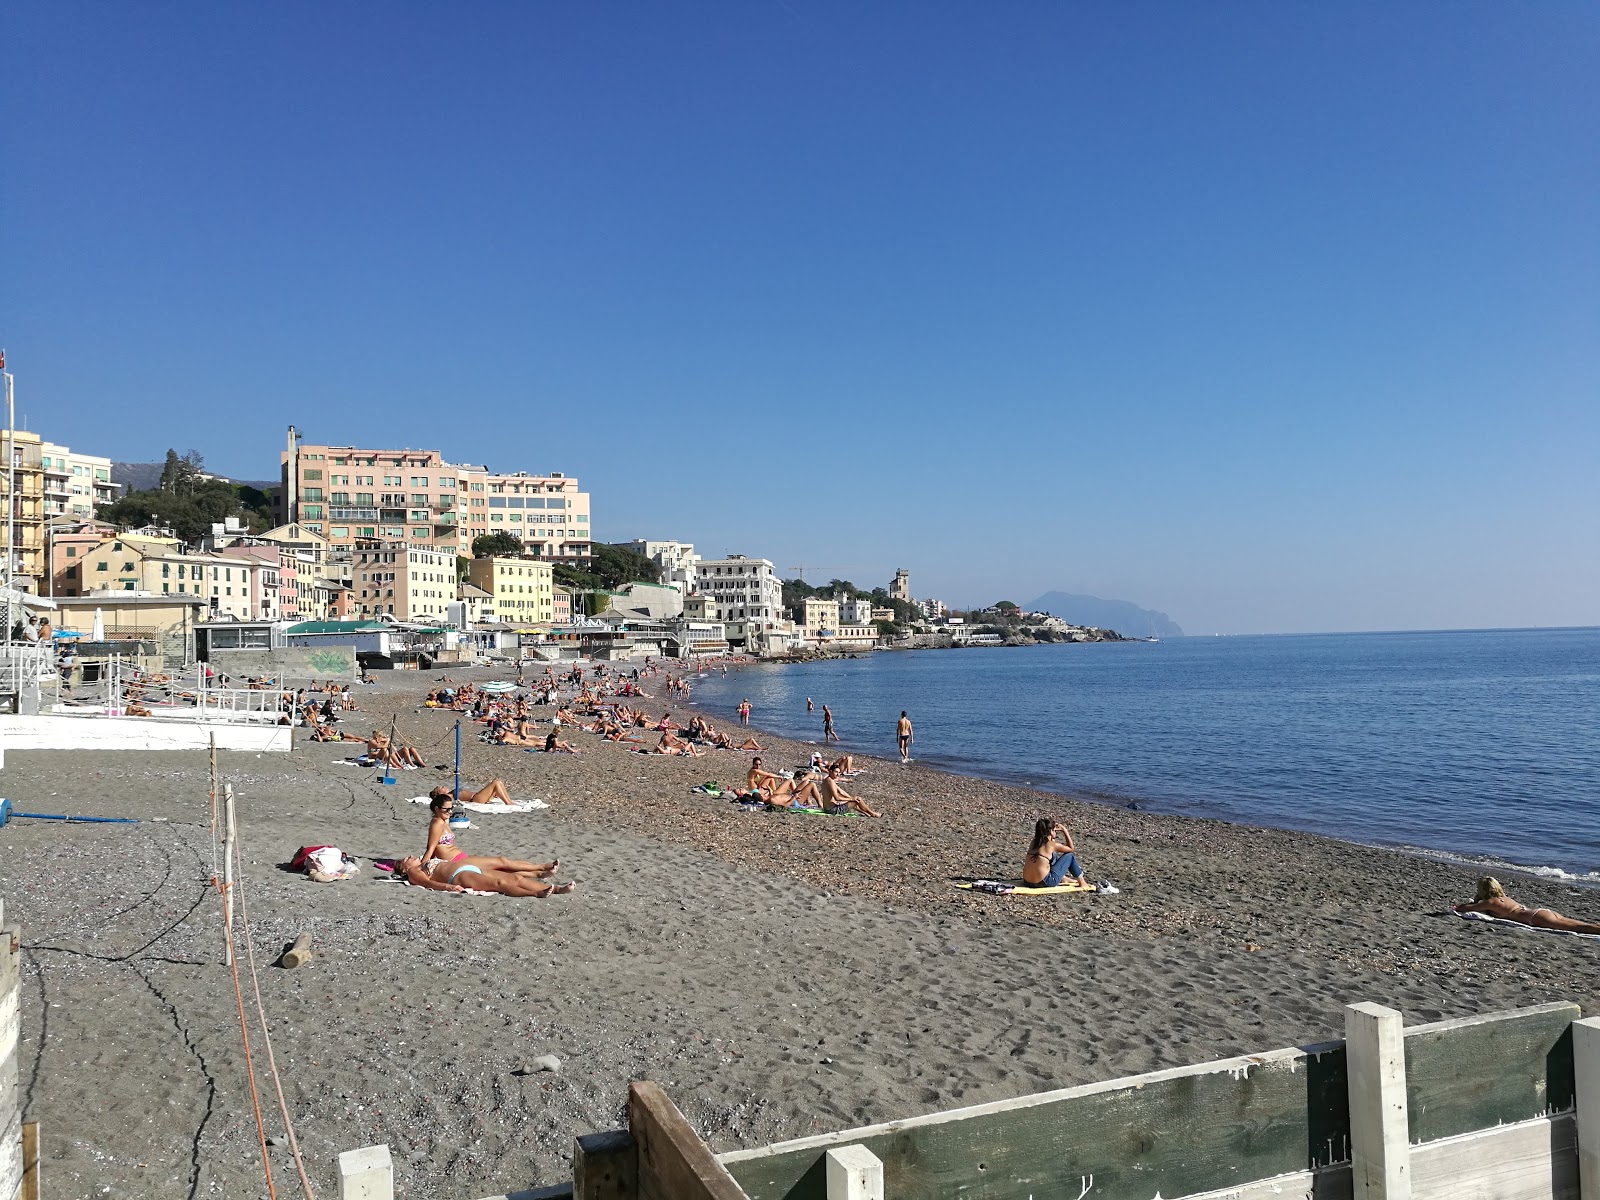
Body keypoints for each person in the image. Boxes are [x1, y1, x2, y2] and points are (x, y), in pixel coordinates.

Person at [422, 794, 559, 874]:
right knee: (501, 862)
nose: (450, 812)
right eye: (447, 810)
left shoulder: (443, 820)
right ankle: (541, 868)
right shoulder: (437, 823)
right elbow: (431, 848)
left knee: (499, 866)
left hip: (460, 857)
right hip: (456, 861)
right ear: (436, 808)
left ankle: (538, 871)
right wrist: (421, 867)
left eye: (451, 809)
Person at [1455, 877, 1600, 934]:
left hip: (1534, 918)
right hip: (1539, 912)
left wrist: (1473, 901)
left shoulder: (1491, 902)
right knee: (1580, 924)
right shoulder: (1503, 898)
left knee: (1576, 928)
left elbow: (1465, 908)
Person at [396, 855, 574, 897]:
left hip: (467, 868)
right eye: (407, 859)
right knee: (498, 883)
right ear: (404, 869)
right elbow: (428, 883)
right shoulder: (413, 872)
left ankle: (556, 889)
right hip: (458, 876)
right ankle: (535, 893)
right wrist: (448, 887)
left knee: (513, 878)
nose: (411, 857)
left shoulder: (421, 863)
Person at [1023, 818, 1087, 887]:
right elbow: (1071, 849)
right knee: (1069, 856)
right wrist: (1064, 831)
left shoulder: (1034, 842)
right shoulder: (1051, 845)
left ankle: (1063, 879)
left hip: (1027, 881)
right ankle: (1082, 883)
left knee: (1052, 855)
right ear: (1050, 832)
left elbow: (1048, 849)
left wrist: (1051, 835)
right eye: (1054, 830)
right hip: (1044, 882)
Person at [429, 779, 517, 808]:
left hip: (478, 796)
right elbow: (448, 802)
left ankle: (508, 800)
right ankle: (508, 803)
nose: (443, 786)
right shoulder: (446, 797)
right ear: (439, 793)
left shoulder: (449, 793)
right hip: (476, 799)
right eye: (440, 788)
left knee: (499, 782)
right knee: (495, 782)